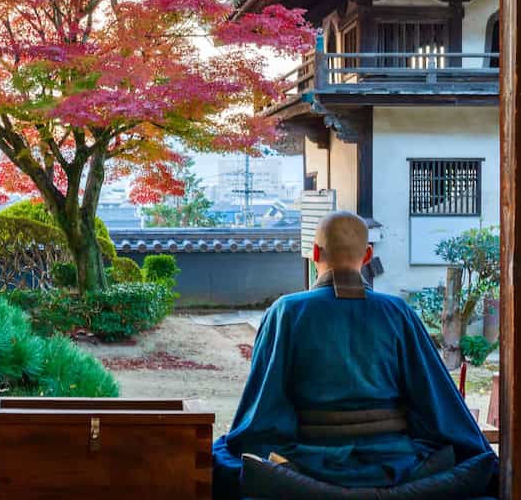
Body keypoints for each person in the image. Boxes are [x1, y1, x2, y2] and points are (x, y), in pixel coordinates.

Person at [212, 211, 497, 499]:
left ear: (313, 253)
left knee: (224, 454)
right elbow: (436, 403)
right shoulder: (397, 312)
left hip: (307, 467)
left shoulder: (286, 311)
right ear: (368, 255)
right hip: (395, 465)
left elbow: (263, 411)